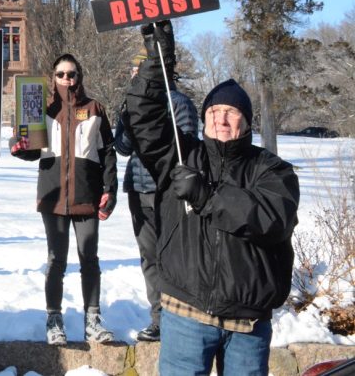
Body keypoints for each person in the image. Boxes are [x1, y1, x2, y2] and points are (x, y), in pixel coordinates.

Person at [125, 20, 300, 375]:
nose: (221, 119)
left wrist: (208, 196)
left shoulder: (271, 169)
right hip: (186, 314)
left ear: (246, 122)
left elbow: (272, 218)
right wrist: (158, 60)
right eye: (213, 112)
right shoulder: (181, 157)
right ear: (203, 118)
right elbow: (142, 115)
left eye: (231, 112)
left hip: (247, 324)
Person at [9, 53, 117, 345]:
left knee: (89, 259)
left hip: (87, 196)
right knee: (56, 260)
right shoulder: (38, 107)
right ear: (53, 77)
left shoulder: (95, 109)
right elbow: (30, 149)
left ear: (79, 76)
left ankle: (93, 320)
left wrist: (111, 189)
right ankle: (53, 319)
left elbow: (108, 152)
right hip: (53, 196)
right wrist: (18, 146)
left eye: (72, 74)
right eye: (61, 74)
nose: (67, 79)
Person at [114, 52, 198, 342]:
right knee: (149, 257)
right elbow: (122, 148)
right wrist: (127, 120)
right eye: (134, 70)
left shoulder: (179, 103)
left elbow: (187, 149)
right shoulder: (132, 104)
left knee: (173, 256)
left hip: (168, 191)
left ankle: (181, 319)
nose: (136, 74)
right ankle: (159, 319)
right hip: (138, 189)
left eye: (141, 69)